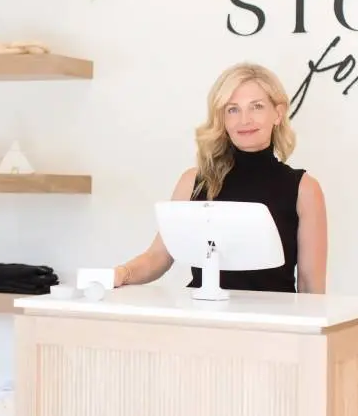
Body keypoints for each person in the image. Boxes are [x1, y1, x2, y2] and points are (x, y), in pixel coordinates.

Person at [114, 62, 327, 294]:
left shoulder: (304, 189)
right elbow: (158, 258)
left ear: (278, 113)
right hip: (202, 320)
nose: (244, 120)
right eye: (232, 109)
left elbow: (310, 285)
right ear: (222, 118)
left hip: (270, 324)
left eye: (256, 107)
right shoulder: (193, 182)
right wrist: (121, 274)